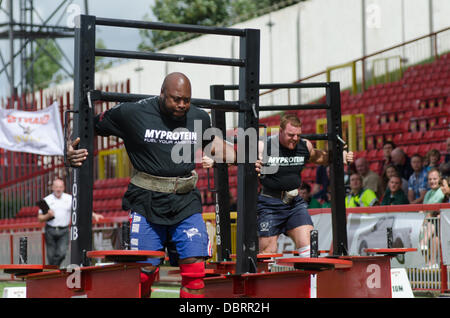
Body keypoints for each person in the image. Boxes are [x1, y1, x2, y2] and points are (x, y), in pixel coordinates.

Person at [66, 72, 235, 298]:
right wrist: (70, 148)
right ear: (162, 94)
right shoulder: (131, 113)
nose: (182, 104)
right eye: (176, 99)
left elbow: (211, 144)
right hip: (146, 201)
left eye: (186, 99)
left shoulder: (200, 117)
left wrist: (247, 156)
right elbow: (85, 123)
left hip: (185, 202)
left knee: (196, 273)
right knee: (143, 274)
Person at [254, 113, 354, 257]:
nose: (295, 139)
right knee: (267, 252)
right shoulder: (264, 147)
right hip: (270, 204)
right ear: (280, 131)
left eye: (298, 135)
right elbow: (237, 159)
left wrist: (340, 156)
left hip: (294, 203)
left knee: (309, 248)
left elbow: (320, 157)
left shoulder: (304, 145)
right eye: (291, 135)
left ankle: (310, 279)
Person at [38, 178, 103, 266]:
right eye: (56, 187)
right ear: (52, 188)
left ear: (64, 188)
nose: (58, 189)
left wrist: (94, 214)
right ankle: (53, 272)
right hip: (50, 230)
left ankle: (53, 268)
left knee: (62, 253)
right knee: (51, 255)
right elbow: (40, 218)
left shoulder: (69, 198)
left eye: (60, 187)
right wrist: (47, 216)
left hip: (64, 230)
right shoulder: (47, 199)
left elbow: (81, 208)